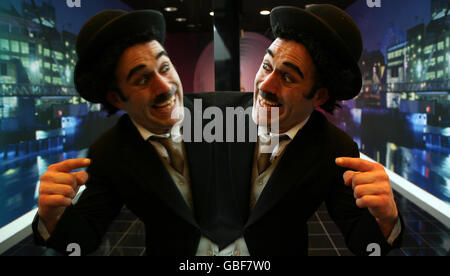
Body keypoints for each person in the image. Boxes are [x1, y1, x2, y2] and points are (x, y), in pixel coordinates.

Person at [32, 9, 241, 256]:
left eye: (164, 67)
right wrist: (52, 217)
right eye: (142, 79)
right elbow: (82, 240)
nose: (165, 87)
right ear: (116, 98)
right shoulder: (110, 152)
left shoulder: (227, 114)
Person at [219, 4, 404, 256]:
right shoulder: (215, 117)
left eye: (287, 78)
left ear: (319, 96)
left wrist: (387, 219)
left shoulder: (336, 149)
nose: (266, 86)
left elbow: (365, 244)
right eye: (266, 66)